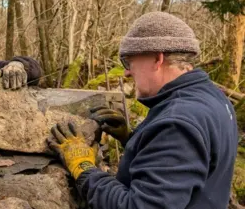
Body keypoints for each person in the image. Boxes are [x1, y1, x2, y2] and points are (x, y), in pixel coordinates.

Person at [48, 12, 238, 209]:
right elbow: (180, 169)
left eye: (129, 62)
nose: (126, 72)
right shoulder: (214, 98)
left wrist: (84, 169)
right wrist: (133, 140)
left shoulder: (177, 123)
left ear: (157, 58)